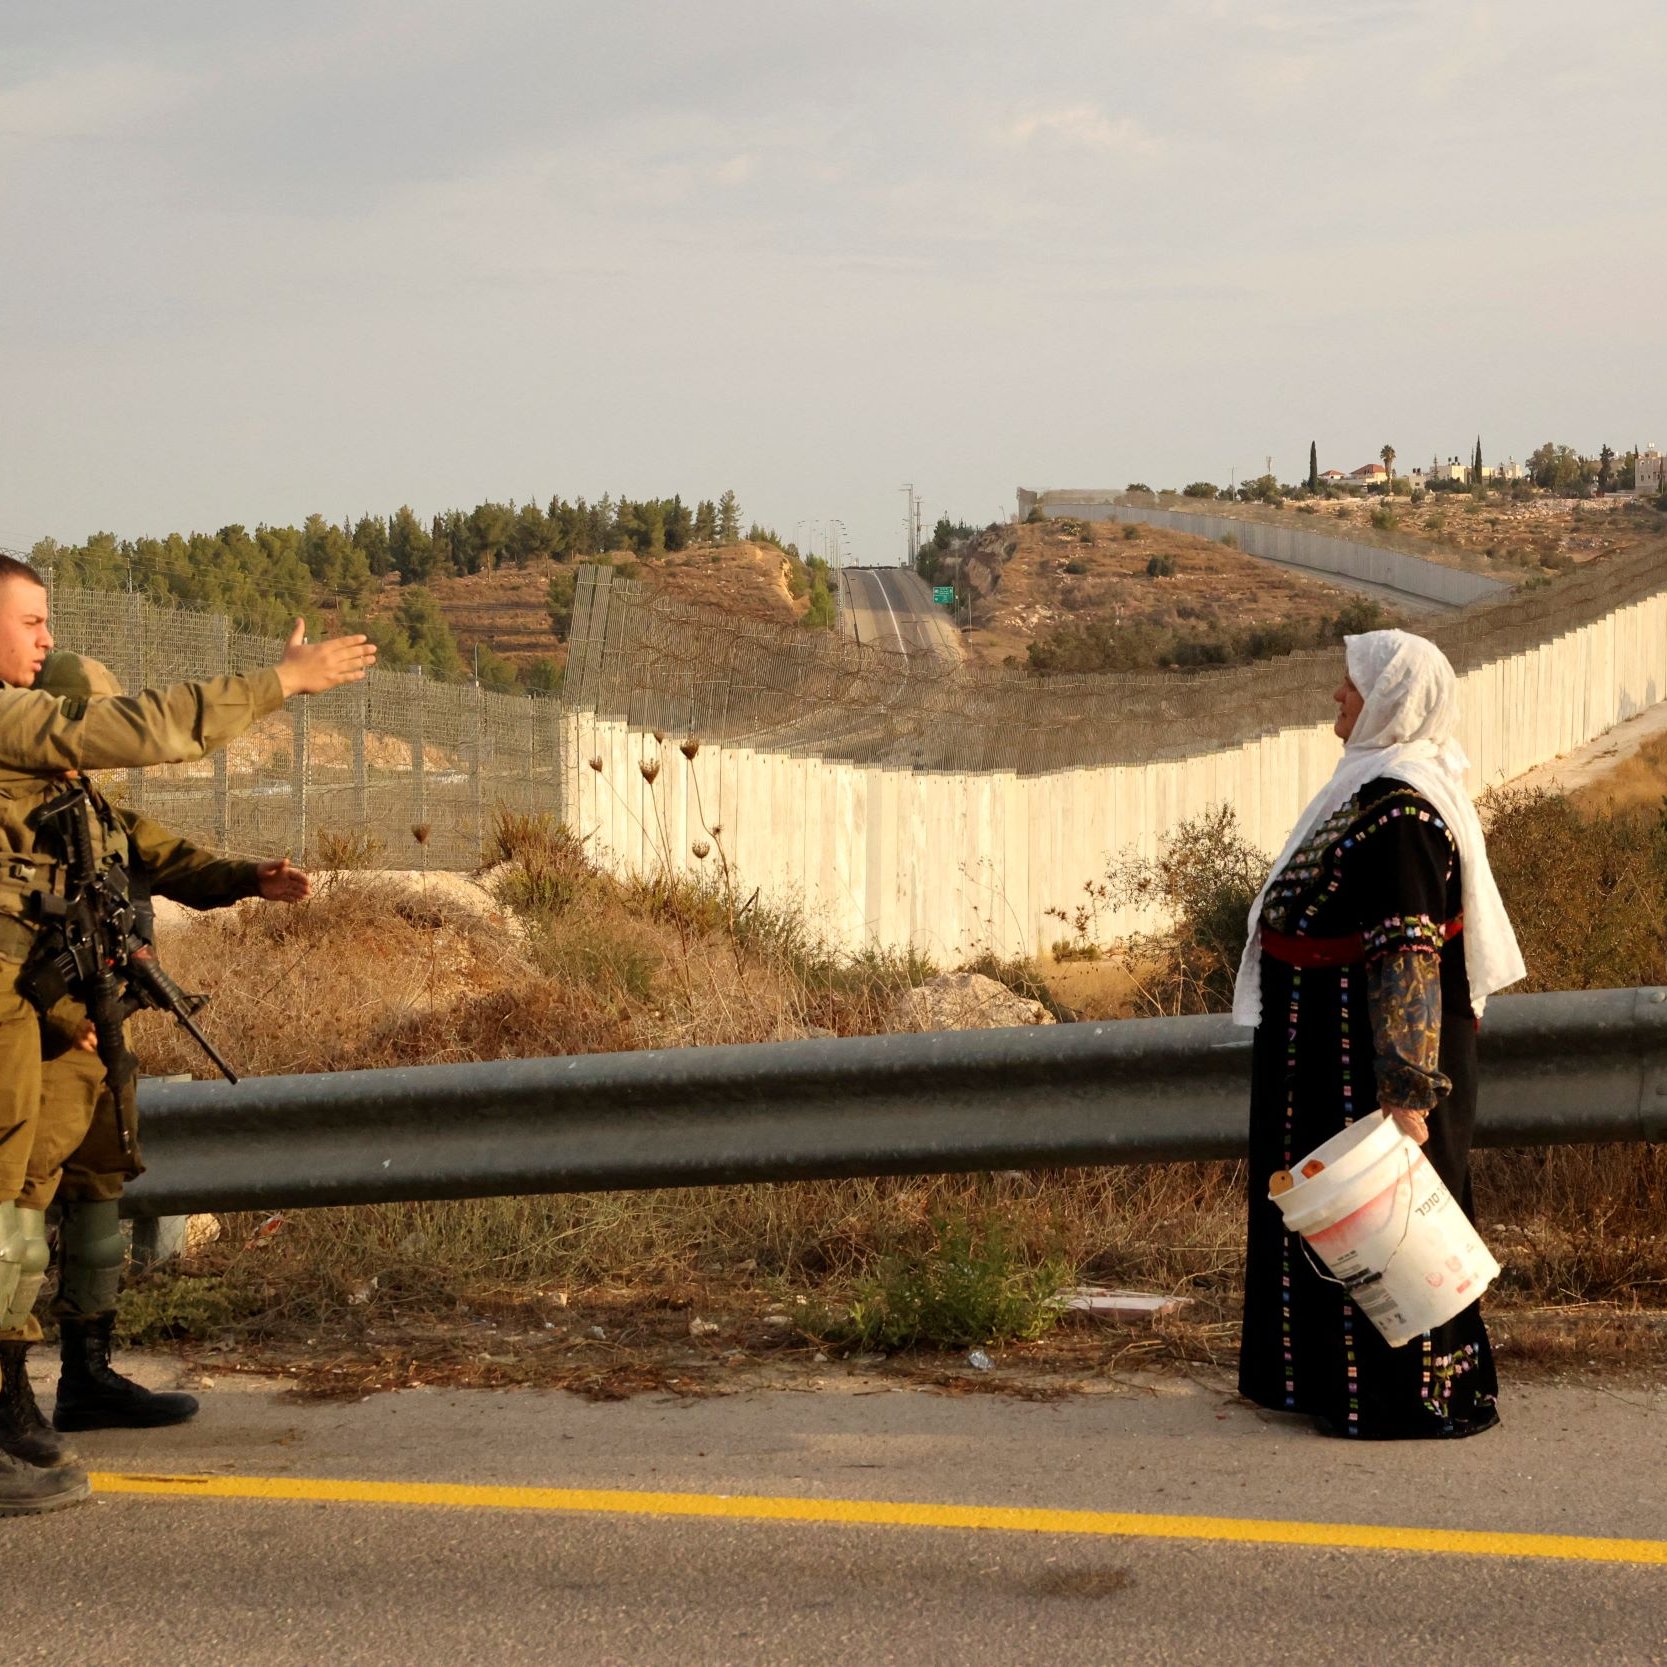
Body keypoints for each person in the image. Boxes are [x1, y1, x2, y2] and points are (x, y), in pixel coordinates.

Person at [0, 554, 373, 1515]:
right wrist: (283, 680)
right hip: (36, 1012)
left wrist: (247, 877)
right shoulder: (11, 737)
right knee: (8, 1203)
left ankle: (63, 1381)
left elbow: (156, 853)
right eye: (31, 621)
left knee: (73, 1185)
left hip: (72, 1010)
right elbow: (144, 730)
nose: (45, 639)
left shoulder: (79, 796)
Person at [1233, 629, 1525, 1440]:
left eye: (1351, 685)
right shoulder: (1367, 789)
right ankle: (1320, 1384)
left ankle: (1403, 1398)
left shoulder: (1402, 812)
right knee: (1331, 1216)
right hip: (1317, 1048)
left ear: (1390, 702)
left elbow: (1407, 955)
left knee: (1381, 1222)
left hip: (1358, 1061)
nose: (1337, 695)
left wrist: (1404, 1091)